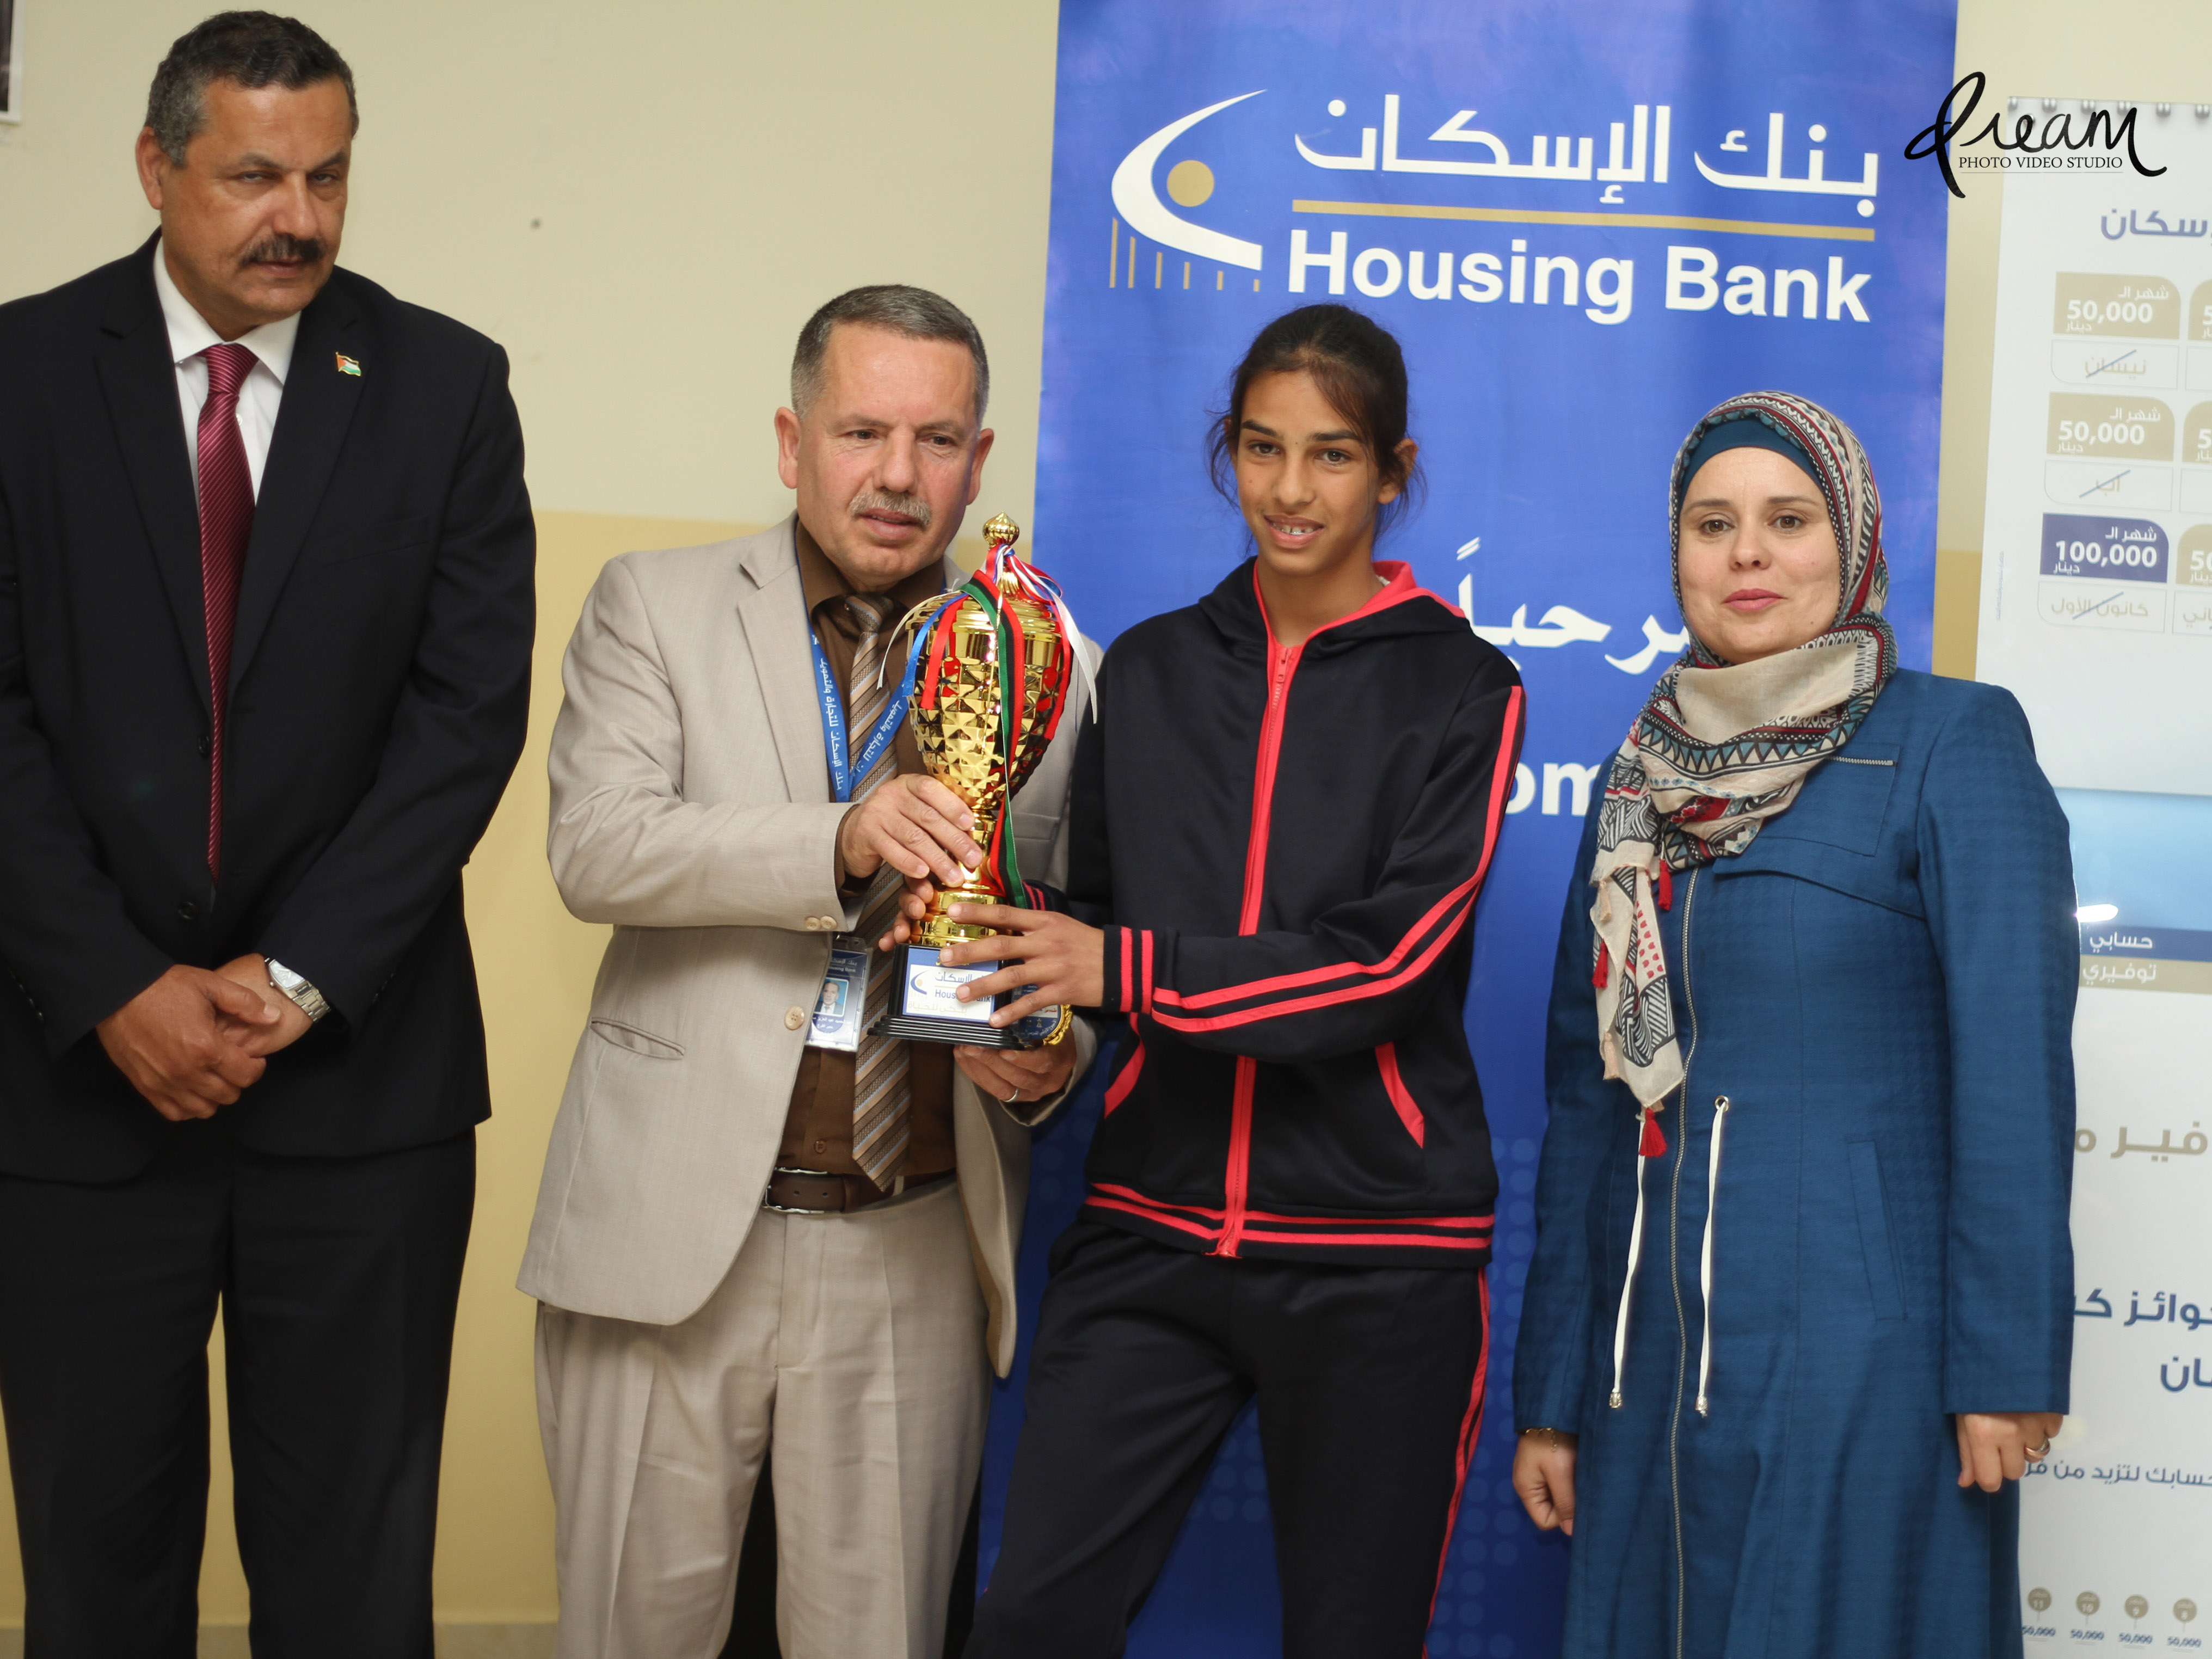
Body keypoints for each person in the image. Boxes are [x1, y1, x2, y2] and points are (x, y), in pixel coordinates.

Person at [0, 13, 535, 1655]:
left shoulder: (445, 385)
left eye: (328, 177)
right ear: (156, 168)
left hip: (360, 1091)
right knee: (96, 1577)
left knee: (354, 1585)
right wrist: (114, 983)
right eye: (253, 177)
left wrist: (294, 977)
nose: (298, 217)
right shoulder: (20, 375)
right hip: (77, 1086)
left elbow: (465, 719)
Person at [939, 304, 1525, 1657]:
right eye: (1262, 448)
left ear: (1393, 470)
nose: (1290, 488)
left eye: (1332, 454)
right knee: (1030, 1620)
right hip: (1152, 1227)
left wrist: (1120, 968)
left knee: (1351, 1638)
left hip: (1378, 1259)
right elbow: (1092, 915)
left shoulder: (1465, 686)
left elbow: (1384, 968)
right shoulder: (1145, 667)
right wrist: (1036, 1028)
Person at [521, 284, 1097, 1659]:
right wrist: (840, 838)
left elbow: (1068, 930)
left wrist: (1045, 1060)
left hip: (911, 1244)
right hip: (669, 1242)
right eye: (860, 433)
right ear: (792, 444)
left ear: (978, 459)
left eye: (937, 440)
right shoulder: (654, 604)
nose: (898, 474)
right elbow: (597, 848)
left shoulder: (1049, 660)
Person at [1511, 391, 2074, 1658]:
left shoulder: (1952, 741)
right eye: (1713, 525)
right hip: (1651, 1360)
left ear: (1853, 543)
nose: (1747, 554)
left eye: (1788, 519)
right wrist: (1554, 1396)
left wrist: (2004, 1367)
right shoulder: (1636, 782)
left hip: (1863, 1357)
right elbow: (1589, 1104)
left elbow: (2013, 1071)